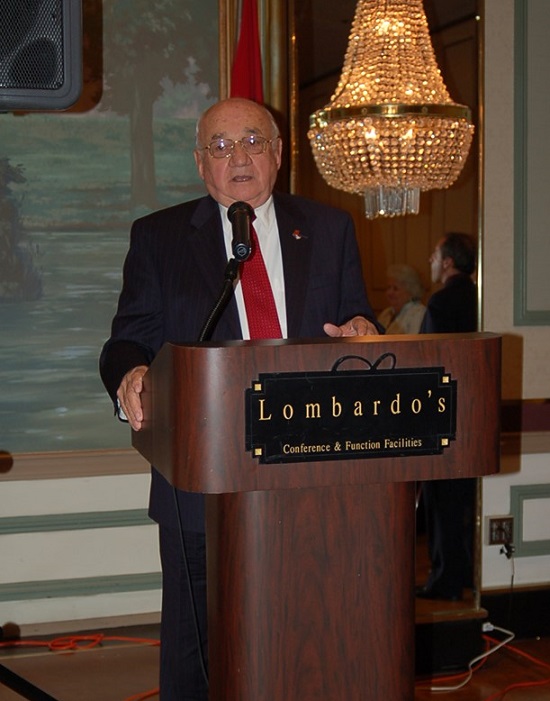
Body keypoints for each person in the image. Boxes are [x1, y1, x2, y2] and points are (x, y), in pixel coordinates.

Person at [99, 97, 380, 701]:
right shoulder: (159, 237)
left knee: (312, 637)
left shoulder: (329, 228)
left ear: (278, 153)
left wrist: (363, 329)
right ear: (201, 164)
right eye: (221, 147)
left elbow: (357, 319)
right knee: (198, 654)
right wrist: (130, 373)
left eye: (253, 141)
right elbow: (126, 341)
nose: (240, 158)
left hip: (315, 479)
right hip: (200, 479)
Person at [416, 232, 478, 601]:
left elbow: (430, 361)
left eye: (435, 254)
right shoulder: (480, 296)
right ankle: (465, 573)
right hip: (473, 414)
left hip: (442, 414)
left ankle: (444, 578)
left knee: (441, 503)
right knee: (465, 501)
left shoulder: (441, 302)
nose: (431, 260)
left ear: (448, 262)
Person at [377, 263, 426, 334]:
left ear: (410, 291)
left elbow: (416, 339)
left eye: (395, 288)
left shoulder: (418, 313)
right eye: (388, 287)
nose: (389, 292)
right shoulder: (386, 313)